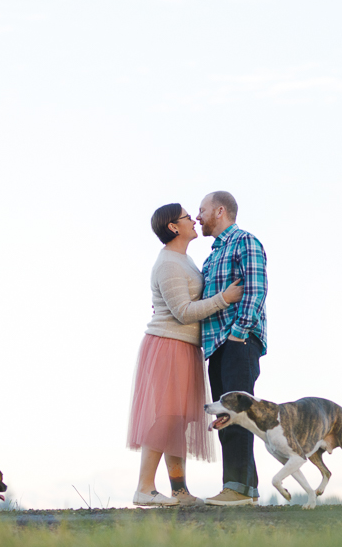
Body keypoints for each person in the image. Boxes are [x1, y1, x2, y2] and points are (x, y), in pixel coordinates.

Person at [127, 203, 244, 506]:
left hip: (185, 346)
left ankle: (179, 491)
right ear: (173, 227)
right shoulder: (168, 263)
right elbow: (182, 312)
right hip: (168, 343)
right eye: (186, 217)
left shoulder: (185, 260)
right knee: (166, 415)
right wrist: (224, 298)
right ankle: (144, 487)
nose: (193, 219)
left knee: (178, 419)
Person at [196, 191, 268, 506]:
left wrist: (239, 334)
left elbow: (255, 289)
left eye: (202, 210)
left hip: (238, 342)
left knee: (237, 416)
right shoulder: (211, 257)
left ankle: (237, 489)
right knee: (228, 418)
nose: (198, 216)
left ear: (220, 211)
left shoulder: (245, 242)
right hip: (218, 347)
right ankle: (242, 490)